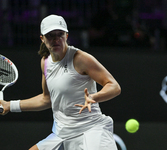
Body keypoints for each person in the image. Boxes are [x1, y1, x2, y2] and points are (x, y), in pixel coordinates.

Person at [0, 14, 121, 150]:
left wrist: (94, 97)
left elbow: (114, 86)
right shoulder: (45, 62)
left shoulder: (80, 59)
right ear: (42, 39)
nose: (56, 39)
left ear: (67, 36)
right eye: (51, 35)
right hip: (62, 133)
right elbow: (46, 99)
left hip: (91, 129)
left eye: (60, 34)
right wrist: (10, 105)